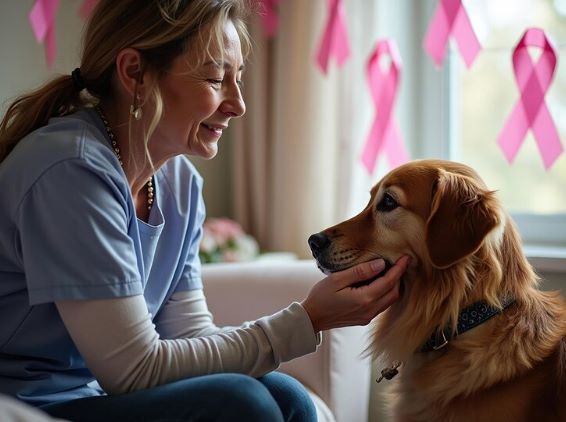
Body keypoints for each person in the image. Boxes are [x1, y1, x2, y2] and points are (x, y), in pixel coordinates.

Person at [0, 1, 410, 421]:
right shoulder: (70, 170)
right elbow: (134, 368)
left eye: (238, 79)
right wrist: (307, 320)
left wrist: (309, 321)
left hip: (92, 397)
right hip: (27, 404)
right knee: (241, 403)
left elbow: (192, 336)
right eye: (216, 79)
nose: (238, 104)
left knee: (286, 395)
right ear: (134, 72)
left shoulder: (179, 184)